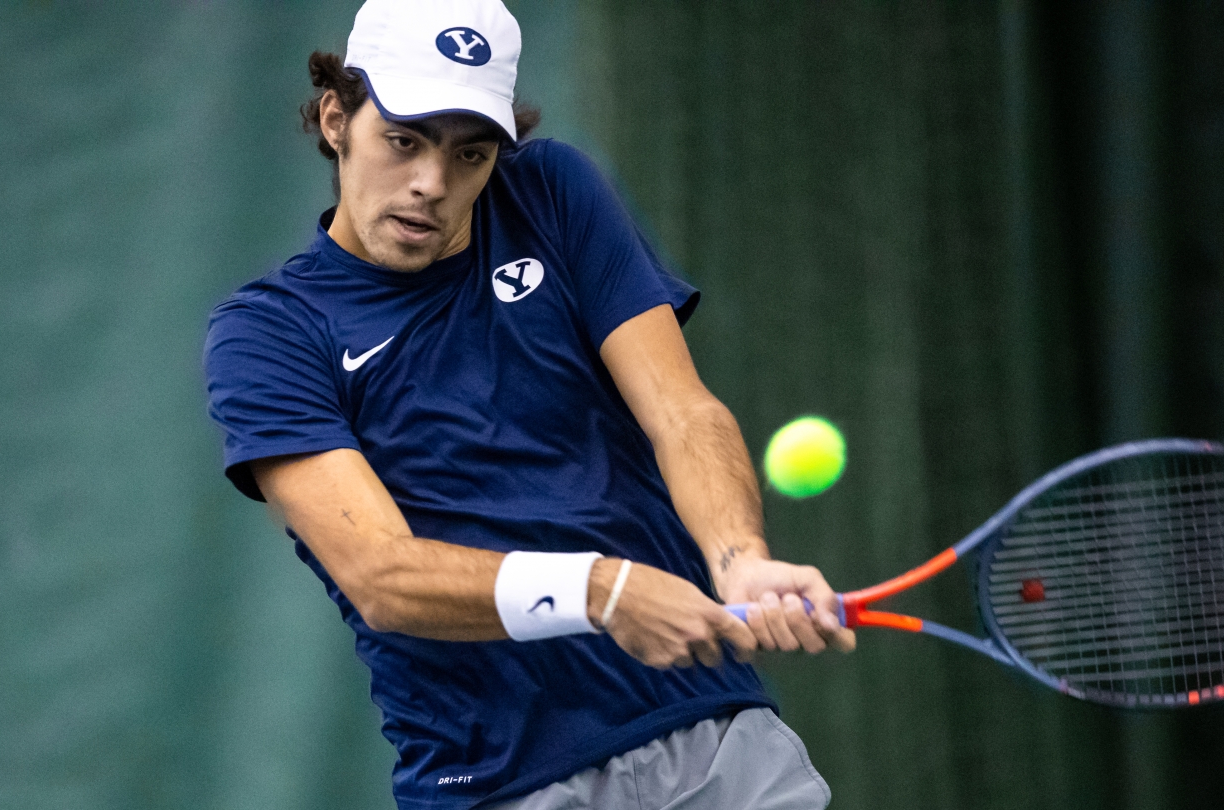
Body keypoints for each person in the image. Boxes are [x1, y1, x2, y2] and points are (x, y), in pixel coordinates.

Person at [204, 1, 855, 807]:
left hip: (717, 733)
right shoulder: (267, 333)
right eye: (402, 141)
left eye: (469, 154)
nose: (431, 186)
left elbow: (682, 412)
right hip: (505, 782)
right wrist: (601, 589)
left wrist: (739, 558)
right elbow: (382, 574)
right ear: (336, 118)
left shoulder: (551, 193)